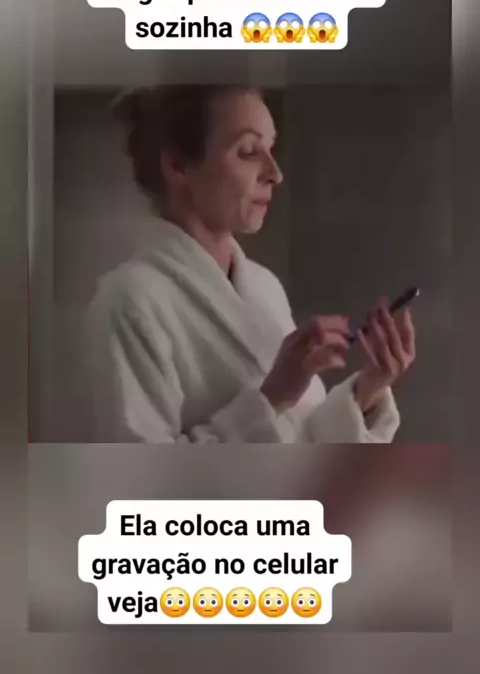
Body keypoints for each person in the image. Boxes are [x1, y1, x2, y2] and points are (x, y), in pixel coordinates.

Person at [87, 84, 416, 443]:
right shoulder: (129, 303)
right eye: (248, 152)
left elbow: (299, 437)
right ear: (178, 165)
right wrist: (271, 398)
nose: (275, 173)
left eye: (270, 149)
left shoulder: (264, 287)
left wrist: (368, 389)